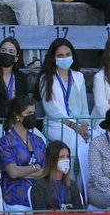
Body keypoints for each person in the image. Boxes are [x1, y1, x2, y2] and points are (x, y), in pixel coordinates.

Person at [38, 39, 90, 182]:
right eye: (60, 55)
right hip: (56, 124)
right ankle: (72, 185)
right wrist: (74, 127)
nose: (65, 58)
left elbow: (84, 107)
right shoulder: (46, 78)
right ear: (53, 58)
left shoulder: (79, 77)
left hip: (80, 123)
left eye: (67, 54)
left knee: (95, 141)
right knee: (75, 143)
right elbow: (51, 110)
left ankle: (86, 187)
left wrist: (84, 126)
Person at [0, 96, 46, 207]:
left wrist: (22, 172)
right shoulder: (6, 142)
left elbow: (46, 171)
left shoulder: (38, 140)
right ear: (18, 116)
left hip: (39, 188)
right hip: (15, 190)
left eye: (33, 113)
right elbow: (13, 173)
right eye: (29, 113)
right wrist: (35, 167)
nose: (32, 116)